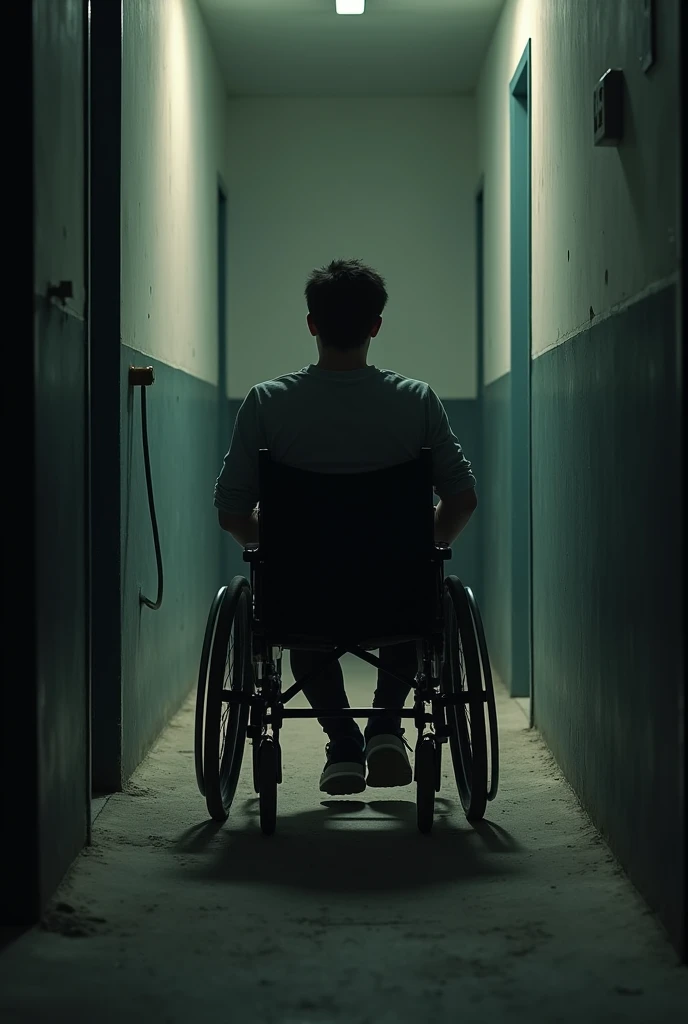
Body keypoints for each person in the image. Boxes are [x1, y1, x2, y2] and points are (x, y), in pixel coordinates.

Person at [214, 259, 477, 797]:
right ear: (376, 326)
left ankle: (342, 743)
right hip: (396, 590)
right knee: (417, 580)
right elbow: (463, 498)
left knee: (295, 595)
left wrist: (275, 545)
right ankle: (384, 728)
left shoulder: (266, 403)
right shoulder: (416, 400)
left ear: (312, 324)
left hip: (302, 594)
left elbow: (232, 509)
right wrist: (424, 544)